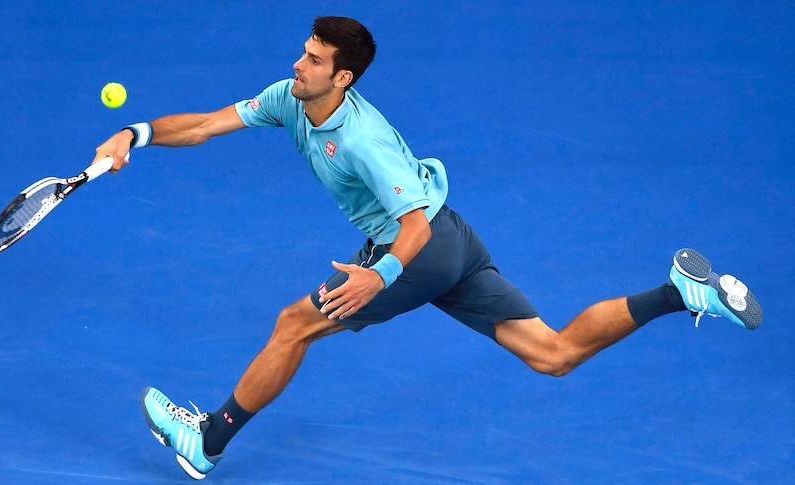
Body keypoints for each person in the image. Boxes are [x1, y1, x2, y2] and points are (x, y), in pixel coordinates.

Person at [93, 16, 763, 480]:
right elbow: (209, 123)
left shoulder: (362, 141)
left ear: (343, 78)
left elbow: (411, 227)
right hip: (455, 237)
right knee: (552, 353)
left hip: (418, 248)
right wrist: (137, 132)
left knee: (293, 324)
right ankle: (680, 293)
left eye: (314, 60)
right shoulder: (289, 98)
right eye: (302, 52)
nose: (297, 64)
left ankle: (206, 443)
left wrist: (378, 275)